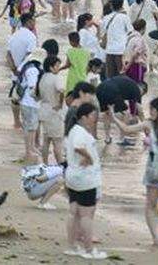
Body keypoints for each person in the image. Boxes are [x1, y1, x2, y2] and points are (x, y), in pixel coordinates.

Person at [111, 97, 158, 247]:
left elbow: (126, 129)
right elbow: (127, 129)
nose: (151, 112)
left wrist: (113, 117)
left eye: (153, 109)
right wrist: (114, 118)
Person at [65, 103, 106, 259]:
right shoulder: (80, 132)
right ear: (84, 117)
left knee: (74, 212)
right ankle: (89, 250)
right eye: (93, 116)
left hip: (74, 176)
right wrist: (89, 157)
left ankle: (72, 246)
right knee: (86, 215)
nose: (95, 119)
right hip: (84, 178)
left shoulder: (74, 130)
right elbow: (78, 147)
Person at [38, 55, 65, 164]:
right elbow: (61, 90)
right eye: (57, 66)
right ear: (51, 67)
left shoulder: (42, 78)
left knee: (46, 140)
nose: (59, 68)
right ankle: (60, 165)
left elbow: (35, 95)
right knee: (57, 141)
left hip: (44, 110)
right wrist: (60, 104)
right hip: (54, 112)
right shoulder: (56, 78)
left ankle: (45, 164)